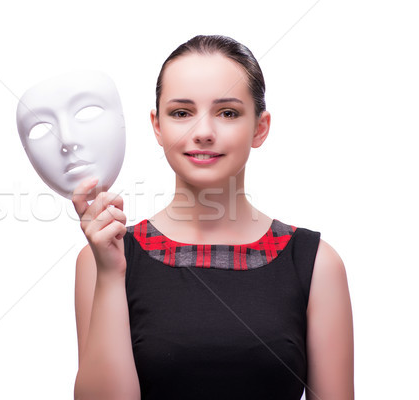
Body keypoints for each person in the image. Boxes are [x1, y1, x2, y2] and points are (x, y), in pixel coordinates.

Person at [71, 35, 354, 400]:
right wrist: (110, 275)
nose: (203, 132)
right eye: (182, 113)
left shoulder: (316, 263)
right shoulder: (103, 258)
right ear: (157, 126)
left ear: (260, 127)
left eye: (228, 113)